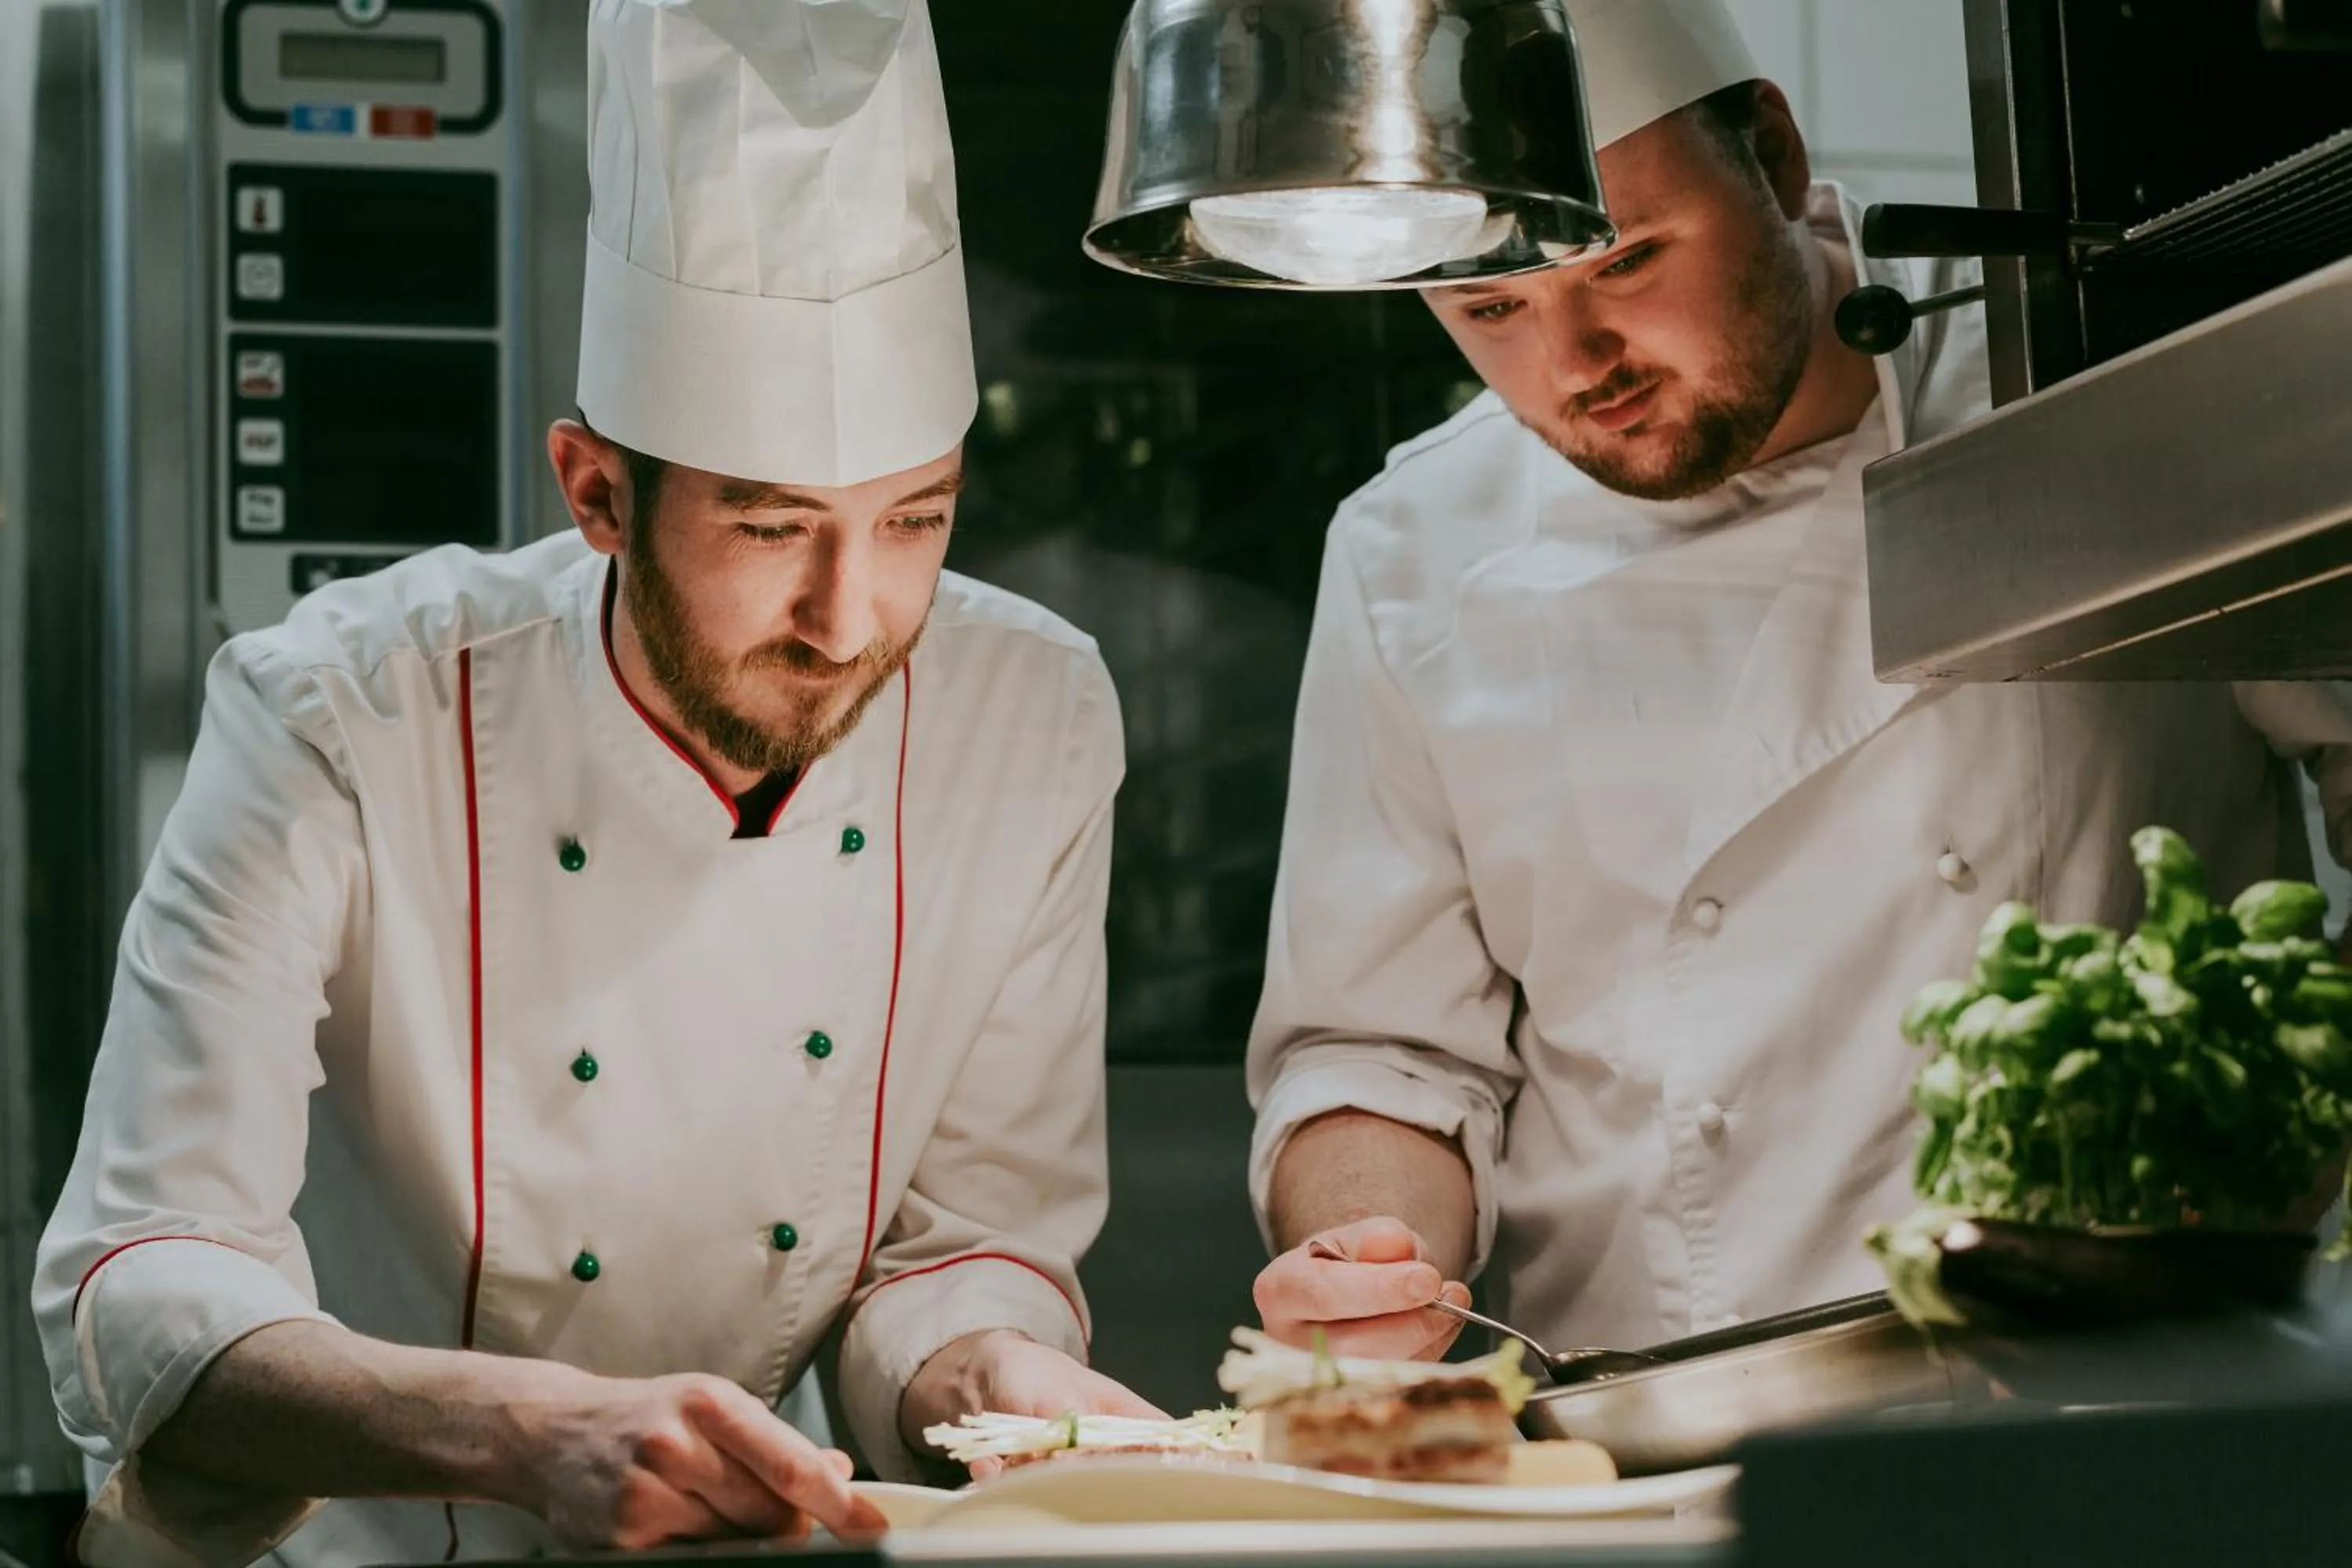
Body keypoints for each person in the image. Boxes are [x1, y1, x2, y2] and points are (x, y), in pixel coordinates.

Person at [33, 2, 1154, 1563]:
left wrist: (1000, 1375)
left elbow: (956, 1245)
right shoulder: (340, 715)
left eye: (914, 521)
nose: (850, 621)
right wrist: (528, 1428)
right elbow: (144, 1270)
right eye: (771, 531)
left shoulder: (1031, 719)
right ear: (598, 491)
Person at [1246, 0, 2352, 1367]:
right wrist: (1368, 1264)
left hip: (2133, 1380)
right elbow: (1383, 1054)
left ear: (1772, 153)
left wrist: (2279, 1139)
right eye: (1491, 307)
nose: (1578, 366)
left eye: (1630, 259)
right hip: (1649, 1429)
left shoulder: (2093, 388)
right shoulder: (1411, 546)